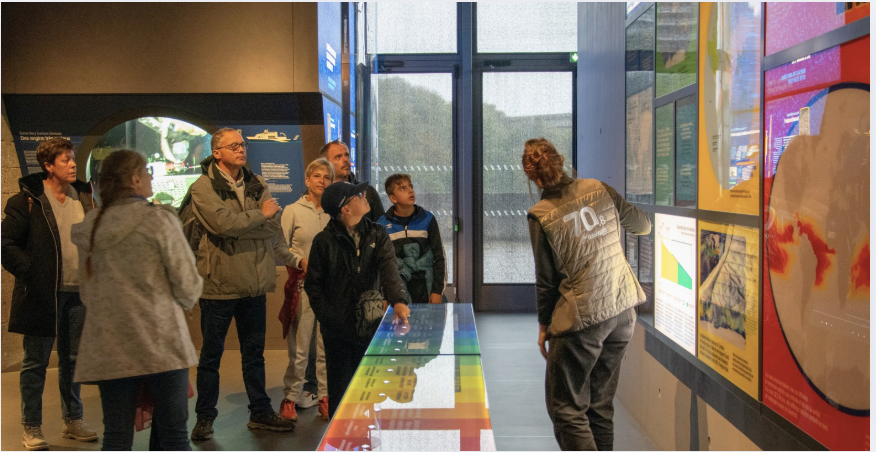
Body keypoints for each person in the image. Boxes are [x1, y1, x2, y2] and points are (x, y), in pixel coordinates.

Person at [523, 138, 650, 451]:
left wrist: (544, 326)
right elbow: (642, 226)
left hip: (582, 318)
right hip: (622, 311)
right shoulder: (598, 188)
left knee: (566, 407)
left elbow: (547, 280)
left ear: (533, 177)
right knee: (599, 404)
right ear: (561, 160)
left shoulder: (541, 213)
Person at [70, 150, 203, 450]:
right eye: (146, 171)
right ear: (134, 179)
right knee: (173, 434)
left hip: (110, 344)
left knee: (116, 435)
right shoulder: (159, 221)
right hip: (161, 341)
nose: (150, 177)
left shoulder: (92, 226)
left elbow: (87, 293)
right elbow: (186, 284)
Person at [189, 128, 297, 441]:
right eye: (234, 145)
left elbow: (271, 226)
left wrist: (246, 225)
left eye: (243, 144)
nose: (242, 149)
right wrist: (256, 217)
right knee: (211, 357)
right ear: (217, 152)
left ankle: (260, 413)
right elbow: (221, 226)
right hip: (220, 286)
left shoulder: (256, 182)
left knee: (254, 355)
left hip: (254, 284)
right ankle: (205, 418)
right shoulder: (202, 187)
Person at [1, 138, 98, 450]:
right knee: (36, 362)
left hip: (78, 293)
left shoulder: (84, 197)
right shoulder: (27, 200)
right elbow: (6, 244)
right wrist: (32, 273)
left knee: (73, 360)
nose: (72, 164)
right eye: (66, 160)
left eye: (72, 159)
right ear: (48, 165)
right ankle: (31, 426)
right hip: (41, 295)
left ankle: (73, 420)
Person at [304, 181, 411, 419]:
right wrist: (330, 318)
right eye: (357, 195)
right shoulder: (324, 241)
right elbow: (313, 286)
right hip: (337, 332)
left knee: (372, 389)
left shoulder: (377, 232)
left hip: (371, 326)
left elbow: (389, 270)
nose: (364, 196)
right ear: (345, 208)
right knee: (341, 393)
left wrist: (398, 301)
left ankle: (370, 437)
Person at [278, 158, 333, 422]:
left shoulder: (335, 212)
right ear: (308, 180)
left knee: (325, 348)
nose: (322, 181)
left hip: (331, 291)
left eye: (327, 177)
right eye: (318, 176)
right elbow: (280, 246)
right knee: (300, 349)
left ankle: (325, 397)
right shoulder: (293, 210)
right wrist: (300, 261)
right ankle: (290, 398)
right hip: (303, 287)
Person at [376, 174, 446, 304]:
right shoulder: (382, 224)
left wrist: (437, 291)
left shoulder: (428, 218)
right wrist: (384, 296)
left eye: (411, 186)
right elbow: (381, 264)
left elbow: (439, 256)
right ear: (393, 198)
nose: (410, 190)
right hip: (397, 287)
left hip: (425, 285)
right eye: (402, 188)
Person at [319, 140, 385, 222]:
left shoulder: (368, 192)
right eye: (338, 157)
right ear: (326, 163)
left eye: (347, 155)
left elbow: (382, 226)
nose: (345, 160)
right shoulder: (318, 193)